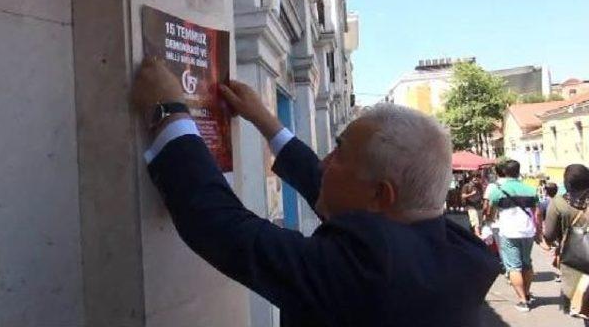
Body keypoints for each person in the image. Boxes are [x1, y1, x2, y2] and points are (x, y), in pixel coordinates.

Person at [132, 58, 499, 326]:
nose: (325, 162)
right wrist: (266, 120)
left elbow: (218, 225)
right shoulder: (455, 249)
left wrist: (170, 112)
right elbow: (324, 183)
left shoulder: (365, 276)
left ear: (380, 196)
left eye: (339, 153)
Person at [488, 160, 538, 312]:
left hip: (509, 231)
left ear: (505, 172)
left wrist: (491, 219)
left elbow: (491, 210)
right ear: (518, 171)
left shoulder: (498, 190)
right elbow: (537, 212)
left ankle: (523, 301)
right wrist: (539, 230)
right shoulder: (530, 189)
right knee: (527, 263)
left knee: (514, 267)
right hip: (528, 231)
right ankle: (527, 293)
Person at [544, 164, 589, 318]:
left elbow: (549, 234)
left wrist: (549, 243)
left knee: (582, 301)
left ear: (567, 183)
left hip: (574, 259)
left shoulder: (558, 203)